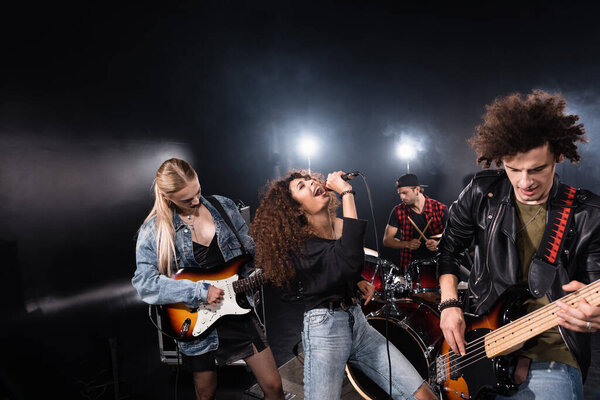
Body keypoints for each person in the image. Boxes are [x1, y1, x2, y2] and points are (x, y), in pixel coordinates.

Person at [438, 90, 600, 400]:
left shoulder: (588, 215)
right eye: (514, 170)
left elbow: (593, 289)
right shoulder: (481, 192)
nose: (525, 182)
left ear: (558, 157)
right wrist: (449, 304)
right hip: (480, 345)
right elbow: (449, 248)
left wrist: (594, 315)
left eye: (537, 169)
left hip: (550, 355)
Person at [250, 169, 437, 400]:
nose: (311, 183)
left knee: (424, 396)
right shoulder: (300, 246)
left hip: (358, 324)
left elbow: (340, 262)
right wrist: (347, 192)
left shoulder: (333, 225)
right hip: (325, 331)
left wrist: (356, 281)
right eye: (301, 186)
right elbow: (348, 258)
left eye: (310, 180)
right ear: (296, 208)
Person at [131, 158, 284, 400]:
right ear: (166, 196)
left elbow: (251, 250)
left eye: (197, 192)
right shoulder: (155, 230)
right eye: (185, 199)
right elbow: (145, 284)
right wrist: (199, 292)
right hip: (196, 320)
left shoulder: (223, 206)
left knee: (274, 388)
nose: (195, 201)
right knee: (206, 394)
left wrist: (275, 258)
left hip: (238, 311)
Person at [383, 173, 447, 272]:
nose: (402, 197)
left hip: (439, 265)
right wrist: (406, 244)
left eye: (405, 193)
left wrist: (439, 244)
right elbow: (387, 240)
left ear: (417, 189)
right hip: (410, 268)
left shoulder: (440, 209)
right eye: (400, 194)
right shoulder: (398, 211)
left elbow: (453, 238)